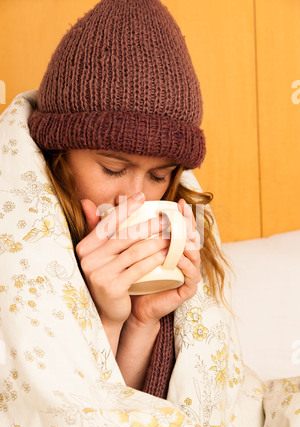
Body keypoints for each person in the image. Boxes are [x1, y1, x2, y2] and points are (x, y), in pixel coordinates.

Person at [27, 0, 229, 399]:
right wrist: (102, 320)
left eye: (159, 175)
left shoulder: (179, 226)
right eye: (113, 169)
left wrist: (141, 320)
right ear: (58, 153)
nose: (136, 196)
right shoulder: (20, 245)